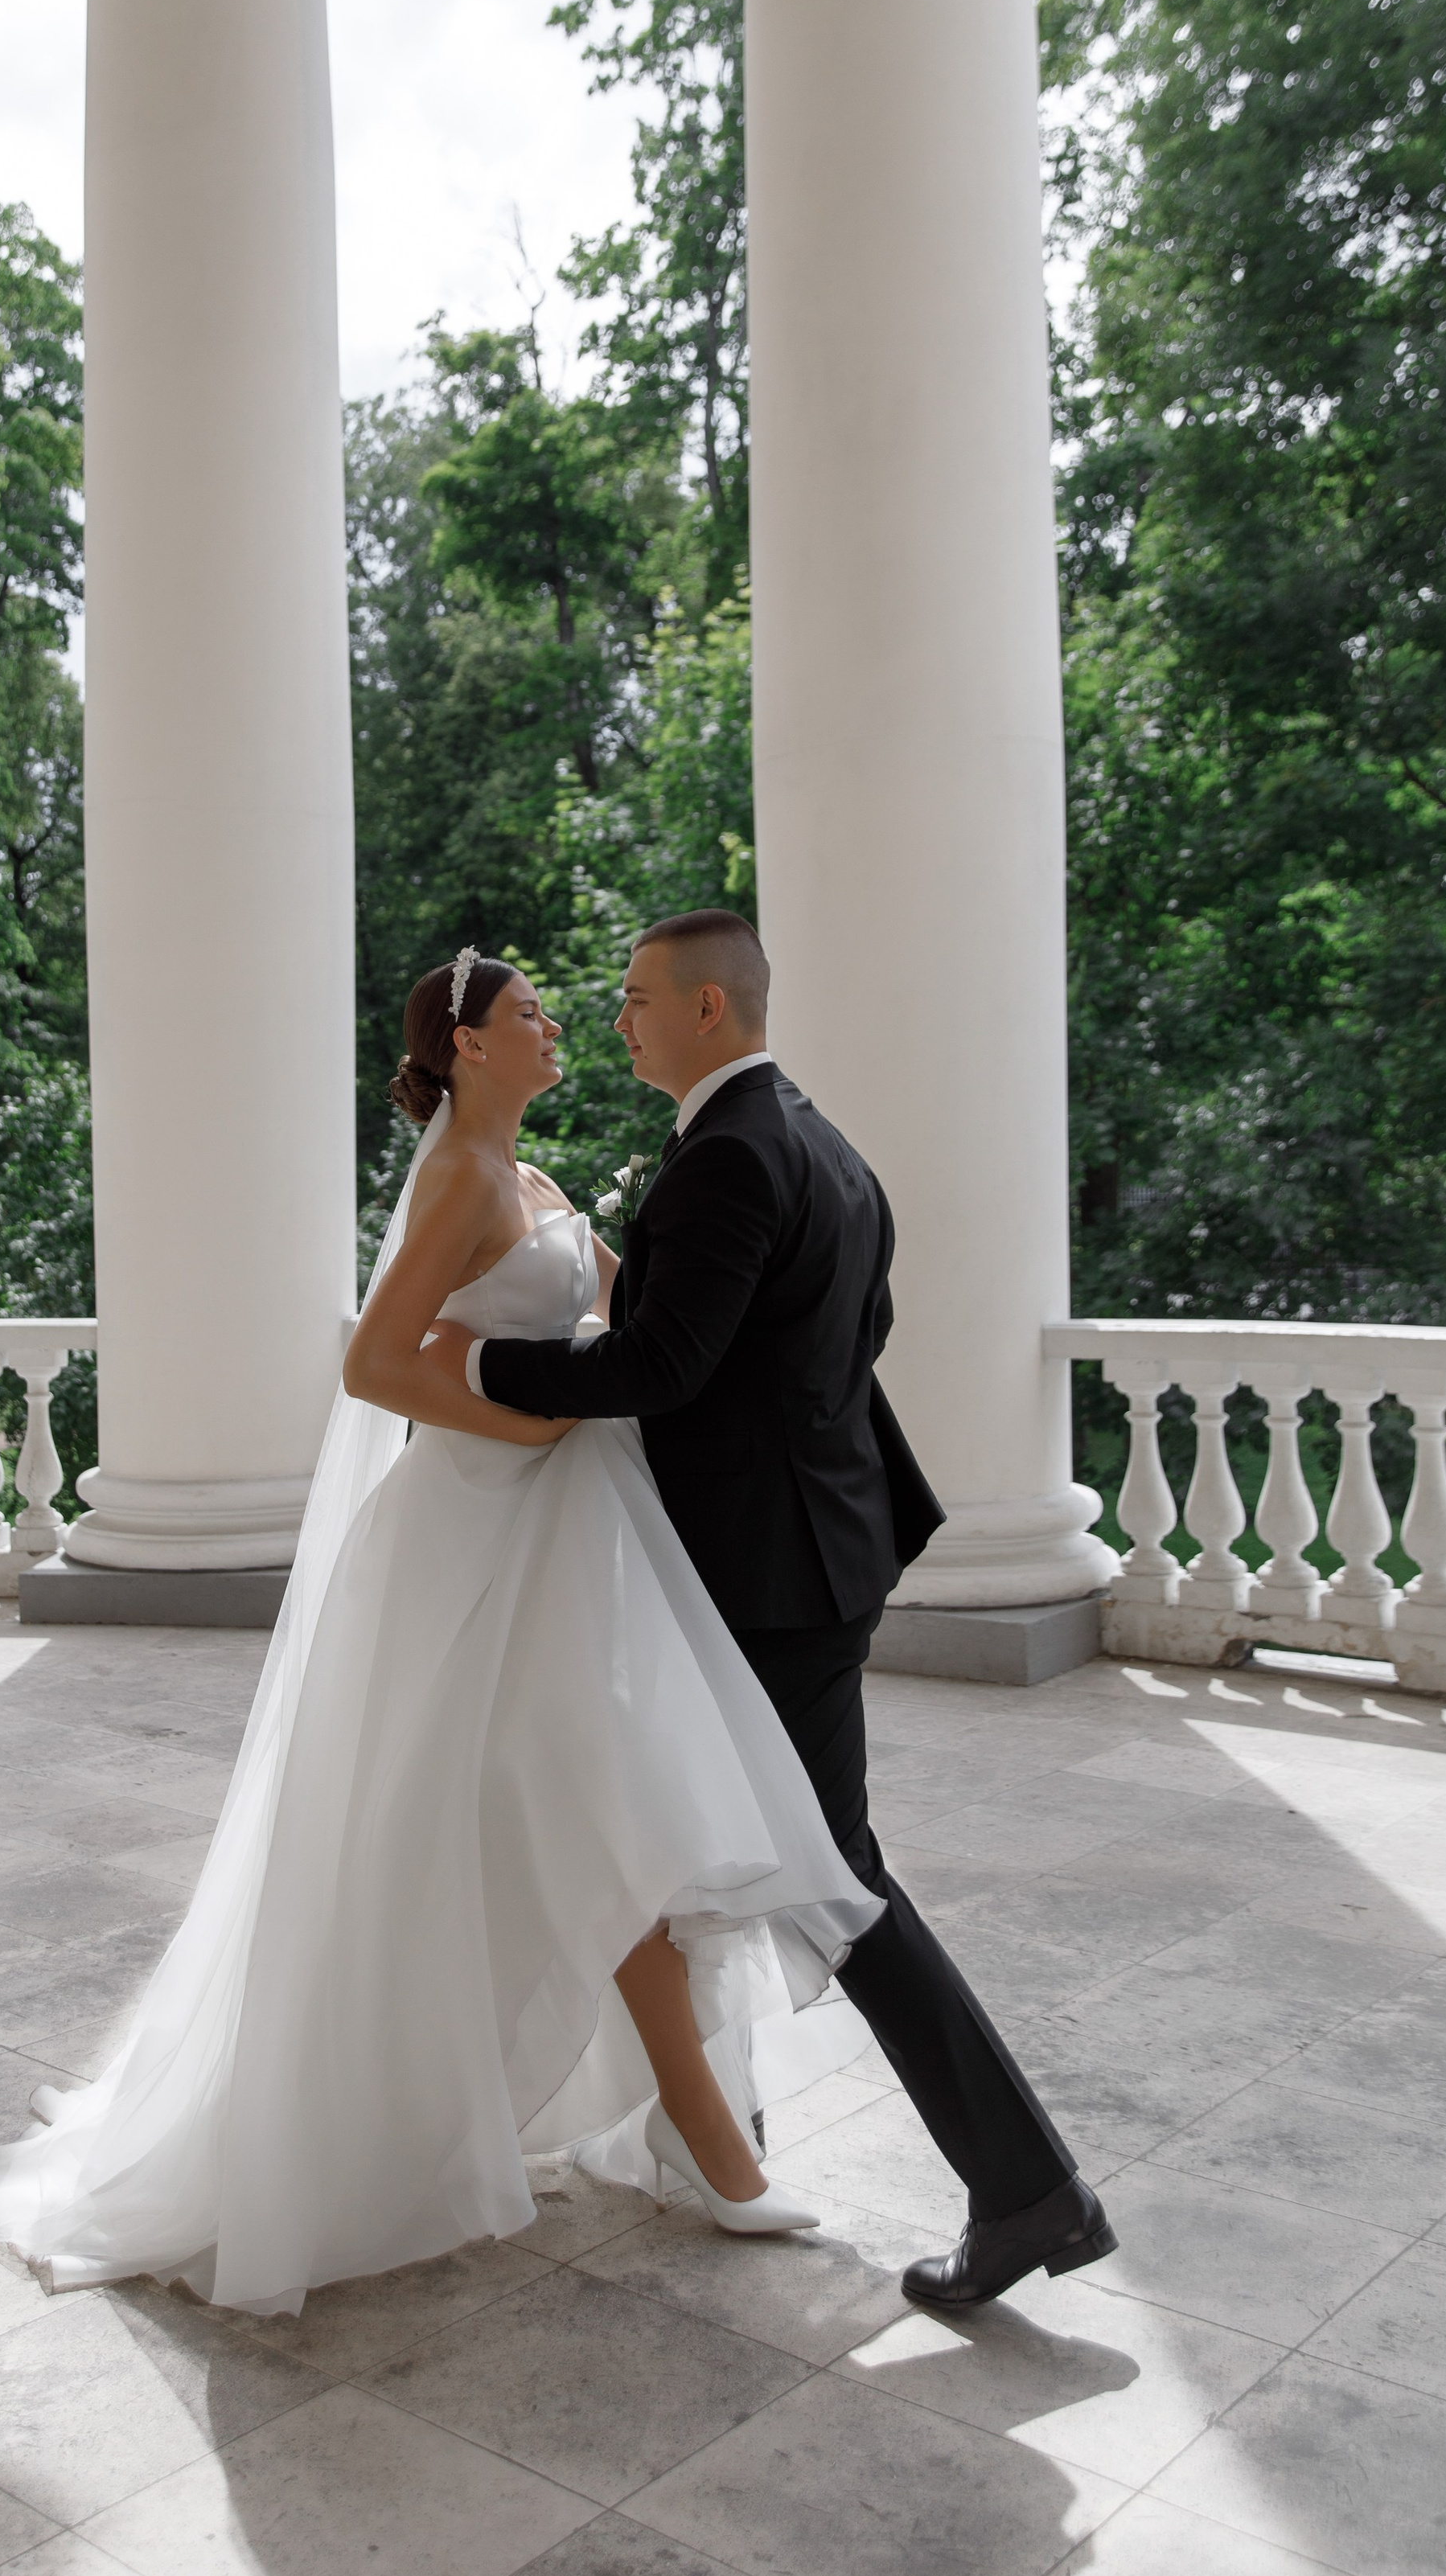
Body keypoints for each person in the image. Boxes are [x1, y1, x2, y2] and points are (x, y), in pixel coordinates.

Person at [0, 950, 884, 2315]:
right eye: (530, 1012)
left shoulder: (539, 1184)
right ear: (468, 1047)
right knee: (610, 1825)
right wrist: (531, 1411)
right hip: (480, 1533)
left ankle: (678, 2125)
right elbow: (376, 1366)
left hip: (580, 1540)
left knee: (616, 1824)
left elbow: (650, 1343)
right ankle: (703, 2143)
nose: (559, 1026)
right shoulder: (463, 1185)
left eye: (558, 1007)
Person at [427, 909, 1116, 2309]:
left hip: (773, 1580)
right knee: (676, 1837)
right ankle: (711, 2130)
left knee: (834, 1882)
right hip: (819, 1557)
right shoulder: (814, 1141)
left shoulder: (728, 1156)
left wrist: (487, 1375)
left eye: (630, 997)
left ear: (704, 1011)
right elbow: (847, 1338)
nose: (612, 1016)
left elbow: (662, 1367)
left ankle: (1025, 2187)